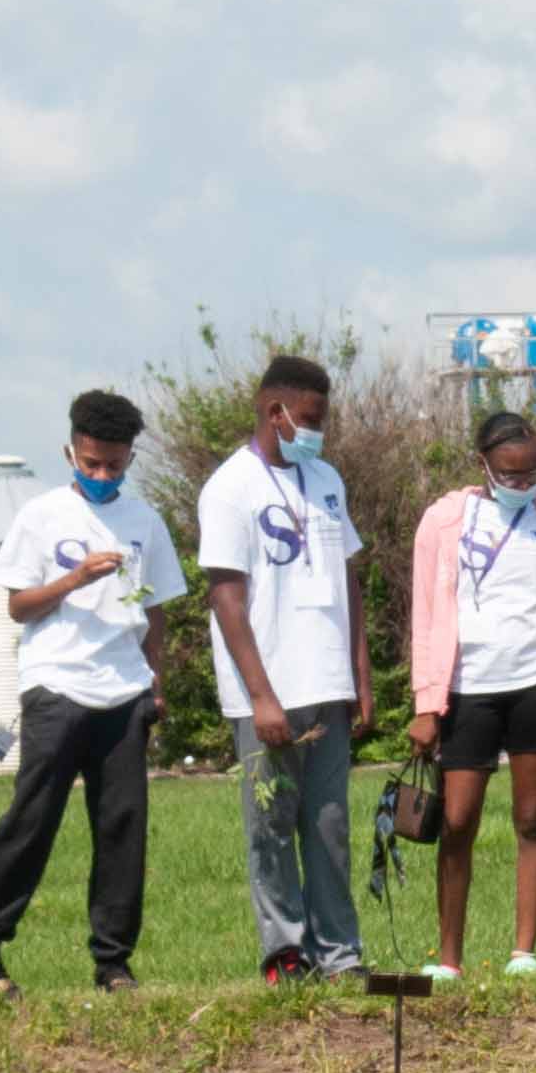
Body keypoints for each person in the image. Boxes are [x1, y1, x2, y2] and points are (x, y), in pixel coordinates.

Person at [0, 389, 183, 995]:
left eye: (114, 465)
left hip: (123, 693)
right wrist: (74, 578)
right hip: (57, 687)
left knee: (121, 830)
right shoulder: (41, 516)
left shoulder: (144, 522)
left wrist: (153, 682)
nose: (102, 476)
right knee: (31, 823)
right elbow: (18, 606)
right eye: (91, 464)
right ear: (70, 452)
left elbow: (157, 610)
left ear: (130, 459)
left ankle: (113, 962)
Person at [197, 351, 367, 981]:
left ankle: (339, 955)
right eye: (310, 418)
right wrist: (262, 695)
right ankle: (285, 952)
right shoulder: (229, 488)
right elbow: (226, 597)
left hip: (326, 683)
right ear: (276, 412)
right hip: (265, 691)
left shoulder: (326, 479)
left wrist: (359, 677)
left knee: (328, 827)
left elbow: (347, 579)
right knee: (270, 825)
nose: (319, 430)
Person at [402, 410, 536, 982]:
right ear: (481, 464)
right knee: (457, 821)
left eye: (531, 473)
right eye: (509, 475)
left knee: (532, 816)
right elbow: (426, 615)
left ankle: (523, 951)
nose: (522, 484)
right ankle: (449, 958)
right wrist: (426, 704)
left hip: (534, 681)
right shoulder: (443, 521)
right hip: (467, 687)